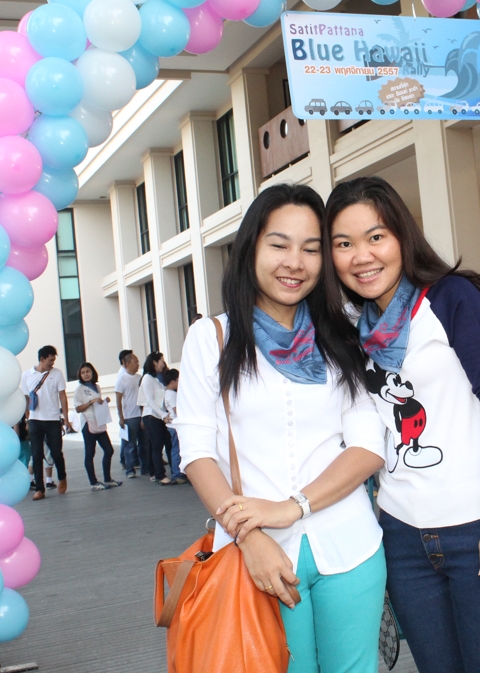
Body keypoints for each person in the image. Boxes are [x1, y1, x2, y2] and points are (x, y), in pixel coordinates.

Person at [325, 176, 480, 673]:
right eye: (344, 243)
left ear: (402, 235)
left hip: (479, 527)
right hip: (403, 539)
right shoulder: (351, 328)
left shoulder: (452, 298)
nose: (361, 256)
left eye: (376, 237)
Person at [177, 183, 388, 673]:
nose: (295, 262)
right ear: (252, 248)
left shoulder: (342, 337)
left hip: (350, 545)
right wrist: (250, 538)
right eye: (279, 245)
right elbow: (196, 452)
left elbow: (367, 446)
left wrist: (292, 508)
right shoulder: (213, 338)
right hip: (258, 556)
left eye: (311, 249)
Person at [22, 346, 72, 500]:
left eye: (54, 360)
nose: (52, 363)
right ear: (42, 359)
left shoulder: (57, 374)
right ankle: (40, 489)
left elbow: (63, 396)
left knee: (56, 452)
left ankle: (62, 477)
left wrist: (66, 418)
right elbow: (26, 399)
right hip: (35, 420)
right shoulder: (27, 375)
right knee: (36, 454)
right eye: (50, 360)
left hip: (53, 419)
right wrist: (27, 419)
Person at [73, 362, 122, 491]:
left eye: (88, 371)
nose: (86, 374)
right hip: (88, 423)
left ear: (93, 372)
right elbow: (78, 408)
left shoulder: (97, 387)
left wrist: (104, 401)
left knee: (109, 450)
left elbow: (97, 403)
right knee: (90, 453)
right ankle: (93, 482)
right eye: (83, 373)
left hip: (99, 422)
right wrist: (91, 402)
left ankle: (108, 478)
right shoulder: (79, 389)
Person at [138, 351, 171, 484]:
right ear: (154, 363)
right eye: (161, 361)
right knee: (157, 445)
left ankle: (154, 471)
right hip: (151, 416)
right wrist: (163, 415)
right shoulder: (147, 378)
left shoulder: (158, 379)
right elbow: (149, 400)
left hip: (159, 416)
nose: (163, 364)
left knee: (157, 444)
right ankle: (160, 475)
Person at [115, 350, 144, 478]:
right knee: (130, 445)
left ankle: (145, 467)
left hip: (141, 415)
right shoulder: (121, 379)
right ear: (127, 364)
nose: (137, 364)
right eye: (135, 362)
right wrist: (121, 417)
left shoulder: (140, 378)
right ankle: (130, 469)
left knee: (144, 444)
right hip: (129, 417)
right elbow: (118, 400)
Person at [162, 369, 187, 484]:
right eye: (177, 380)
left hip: (172, 425)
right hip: (175, 425)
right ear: (172, 381)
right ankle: (177, 473)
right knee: (176, 449)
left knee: (176, 449)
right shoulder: (171, 394)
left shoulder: (168, 393)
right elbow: (177, 410)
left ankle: (177, 472)